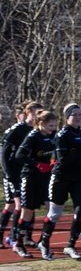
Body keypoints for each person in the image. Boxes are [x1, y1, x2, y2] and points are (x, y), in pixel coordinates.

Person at [39, 104, 81, 260]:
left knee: (80, 210)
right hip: (61, 177)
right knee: (55, 213)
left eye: (79, 114)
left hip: (78, 177)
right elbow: (63, 160)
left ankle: (70, 245)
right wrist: (79, 155)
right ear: (67, 117)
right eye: (74, 114)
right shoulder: (62, 134)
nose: (78, 117)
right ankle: (44, 242)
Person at [11, 109, 58, 258]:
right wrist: (36, 164)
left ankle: (43, 242)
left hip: (46, 177)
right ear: (41, 124)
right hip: (30, 177)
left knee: (52, 209)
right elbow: (19, 155)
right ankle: (18, 244)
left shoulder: (54, 136)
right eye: (50, 126)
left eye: (54, 126)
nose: (53, 129)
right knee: (27, 211)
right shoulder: (33, 136)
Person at [1, 100, 39, 248]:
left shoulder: (37, 130)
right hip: (13, 173)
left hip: (28, 173)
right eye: (36, 113)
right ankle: (11, 236)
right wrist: (8, 173)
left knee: (30, 204)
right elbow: (4, 153)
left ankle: (26, 236)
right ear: (27, 113)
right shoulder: (17, 129)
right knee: (14, 205)